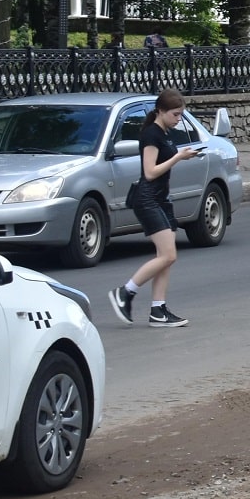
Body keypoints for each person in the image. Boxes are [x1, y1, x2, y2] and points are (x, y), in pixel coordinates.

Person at [109, 89, 202, 329]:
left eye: (181, 115)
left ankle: (158, 310)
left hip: (161, 199)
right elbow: (150, 172)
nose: (178, 119)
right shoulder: (151, 134)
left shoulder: (165, 133)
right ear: (161, 111)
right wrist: (178, 158)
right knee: (168, 255)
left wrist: (183, 156)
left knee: (165, 258)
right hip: (148, 199)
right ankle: (125, 292)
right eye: (175, 114)